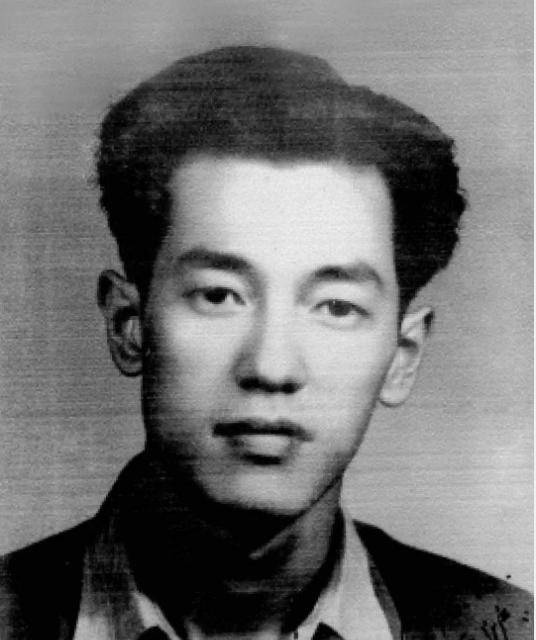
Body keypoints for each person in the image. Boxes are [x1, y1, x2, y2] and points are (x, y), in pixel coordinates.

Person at [0, 45, 531, 640]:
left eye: (336, 307)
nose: (271, 367)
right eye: (219, 295)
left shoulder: (510, 628)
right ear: (129, 324)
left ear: (401, 358)